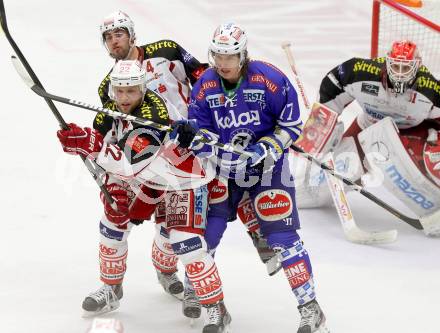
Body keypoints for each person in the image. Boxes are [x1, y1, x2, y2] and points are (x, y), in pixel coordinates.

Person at [171, 23, 329, 333]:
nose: (223, 63)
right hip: (222, 172)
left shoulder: (270, 79)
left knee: (283, 239)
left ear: (243, 55)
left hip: (268, 171)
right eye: (217, 55)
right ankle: (213, 305)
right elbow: (199, 131)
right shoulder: (205, 85)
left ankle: (311, 309)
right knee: (205, 239)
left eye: (229, 57)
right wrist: (193, 137)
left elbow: (292, 124)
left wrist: (265, 148)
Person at [56, 60, 229, 332]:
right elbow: (107, 164)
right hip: (145, 177)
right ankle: (111, 289)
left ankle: (215, 308)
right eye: (120, 91)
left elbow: (130, 161)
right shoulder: (106, 115)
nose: (125, 98)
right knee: (112, 223)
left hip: (180, 180)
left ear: (143, 90)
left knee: (185, 243)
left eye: (132, 91)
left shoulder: (154, 113)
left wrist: (91, 144)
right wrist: (91, 156)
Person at [92, 10, 209, 318]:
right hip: (141, 162)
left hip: (185, 155)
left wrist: (201, 122)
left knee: (178, 231)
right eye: (107, 37)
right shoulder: (108, 86)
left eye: (119, 33)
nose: (114, 41)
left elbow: (205, 80)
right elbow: (111, 129)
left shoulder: (166, 51)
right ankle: (110, 288)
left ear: (132, 34)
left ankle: (190, 283)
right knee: (114, 223)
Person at [297, 40, 440, 226]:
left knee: (433, 164)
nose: (399, 72)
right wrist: (322, 124)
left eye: (405, 68)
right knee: (331, 182)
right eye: (395, 66)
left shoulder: (431, 90)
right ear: (386, 62)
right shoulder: (362, 71)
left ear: (417, 66)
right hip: (368, 127)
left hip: (410, 135)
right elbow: (333, 83)